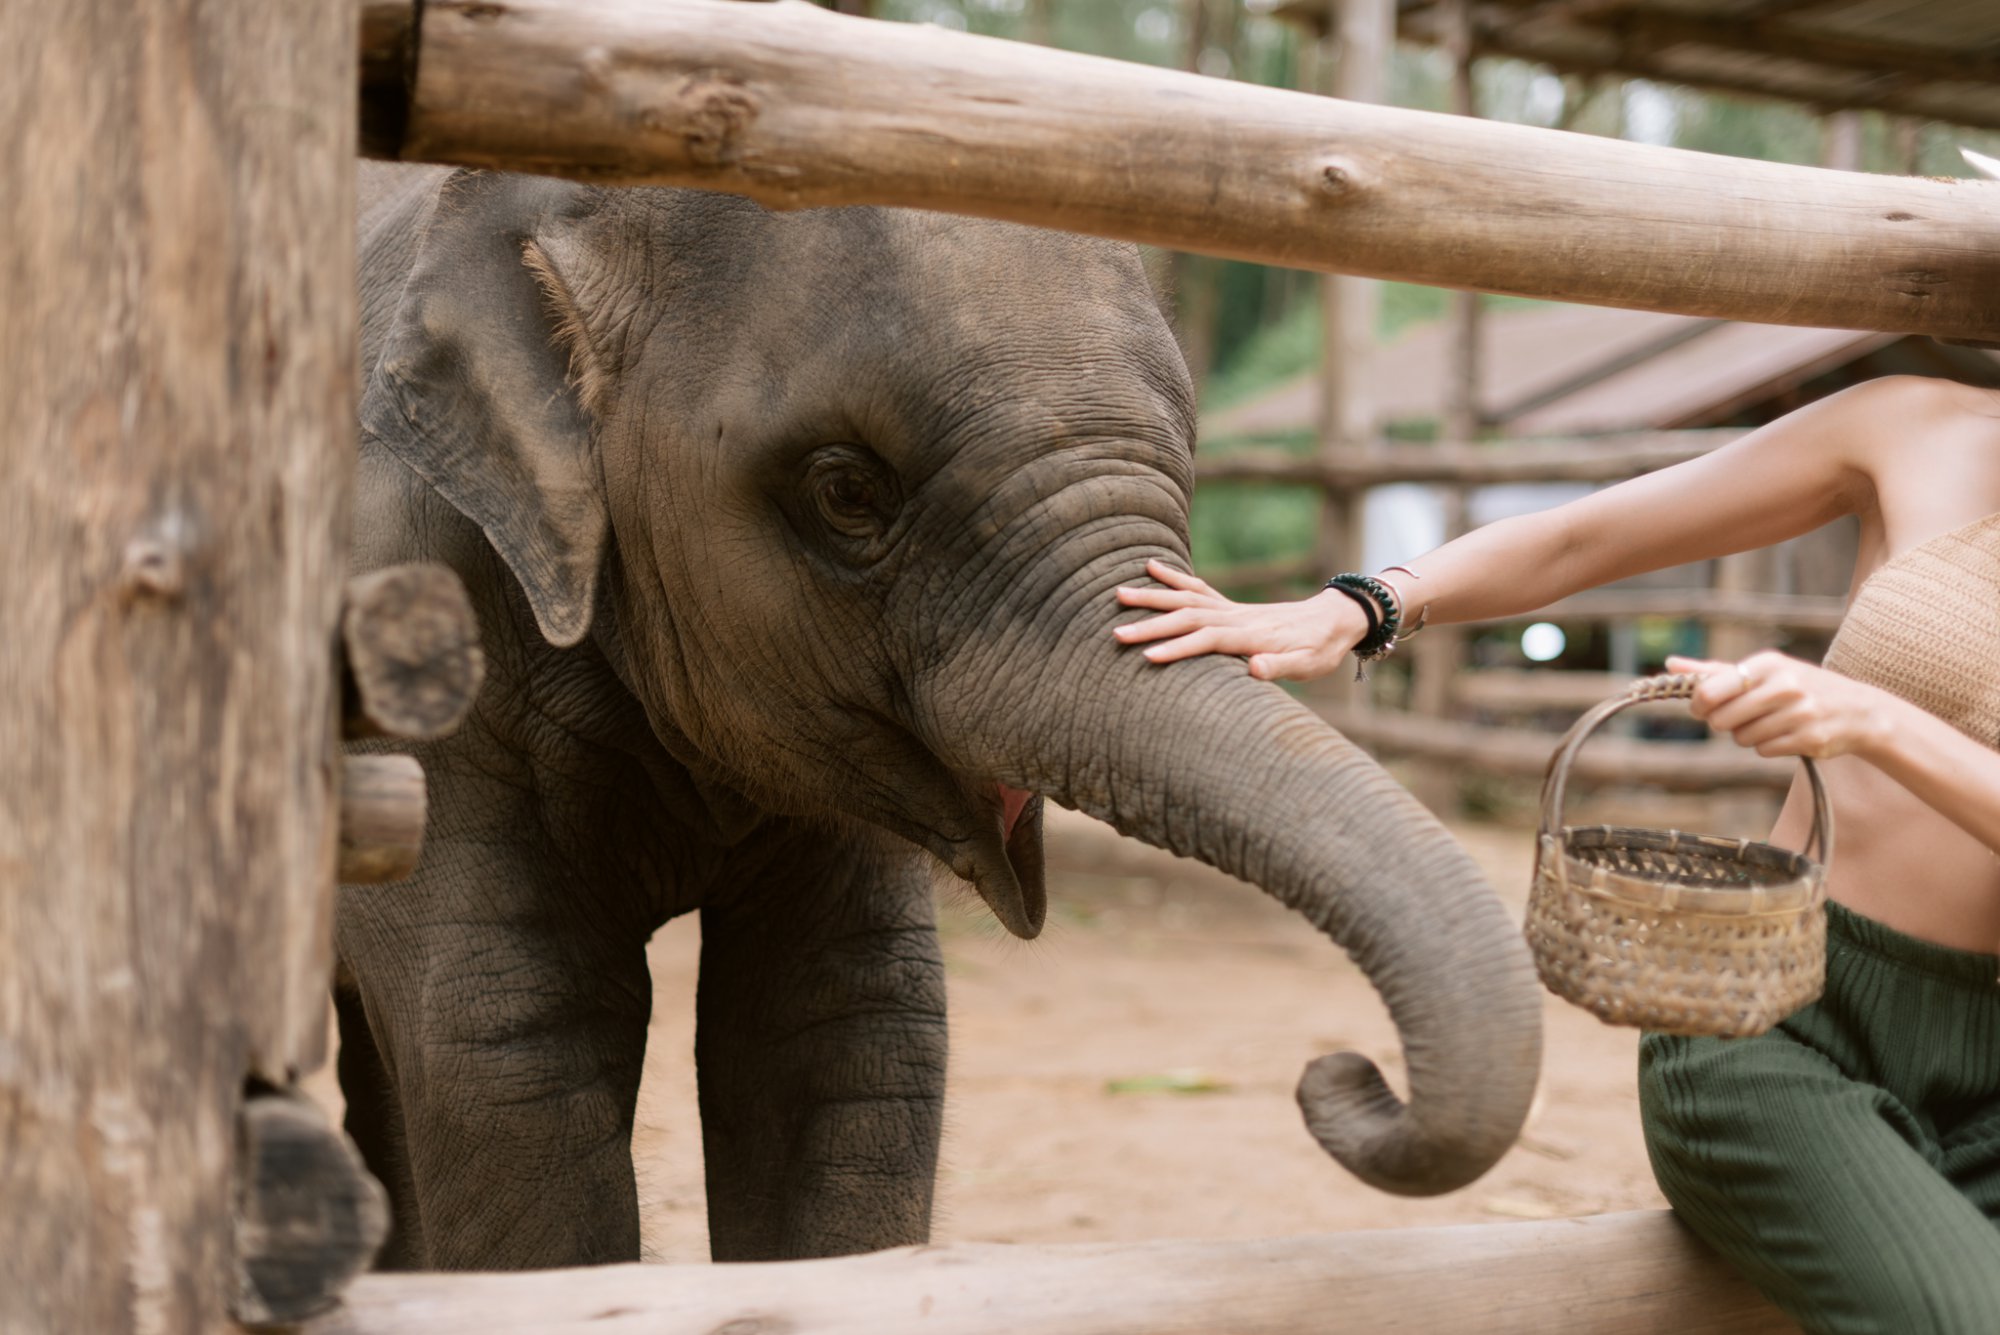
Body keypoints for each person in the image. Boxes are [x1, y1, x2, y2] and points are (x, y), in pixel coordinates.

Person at [1113, 373, 2000, 1335]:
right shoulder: (1919, 427)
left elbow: (1881, 726)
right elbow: (1589, 537)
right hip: (1781, 1028)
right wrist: (1363, 605)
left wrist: (1879, 723)